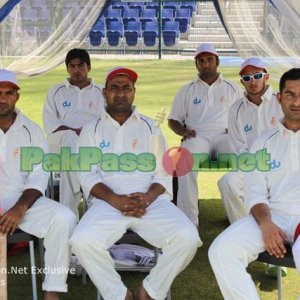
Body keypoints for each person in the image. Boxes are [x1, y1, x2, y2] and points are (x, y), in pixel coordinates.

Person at [69, 67, 201, 300]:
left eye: (126, 88)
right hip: (107, 203)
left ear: (134, 92)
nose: (121, 94)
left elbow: (163, 174)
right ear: (104, 92)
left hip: (148, 202)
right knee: (81, 241)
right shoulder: (92, 130)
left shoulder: (151, 127)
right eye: (114, 88)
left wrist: (146, 198)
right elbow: (87, 175)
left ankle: (149, 292)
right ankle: (119, 295)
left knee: (188, 237)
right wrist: (116, 200)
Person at [208, 68, 300, 299]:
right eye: (289, 94)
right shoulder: (263, 142)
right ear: (279, 99)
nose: (296, 101)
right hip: (274, 215)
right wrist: (266, 223)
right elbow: (254, 190)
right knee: (221, 251)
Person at [0, 69, 77, 300]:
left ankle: (51, 289)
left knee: (64, 217)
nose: (3, 98)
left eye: (8, 93)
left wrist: (19, 208)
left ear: (17, 96)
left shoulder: (32, 131)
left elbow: (39, 176)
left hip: (21, 200)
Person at [168, 43, 243, 226]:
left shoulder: (232, 88)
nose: (205, 64)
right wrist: (183, 132)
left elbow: (244, 115)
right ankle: (188, 222)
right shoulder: (187, 90)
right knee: (185, 161)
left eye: (209, 60)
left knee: (245, 159)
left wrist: (235, 130)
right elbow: (173, 120)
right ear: (196, 64)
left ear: (217, 61)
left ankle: (241, 215)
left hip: (226, 136)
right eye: (201, 61)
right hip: (197, 136)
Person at [218, 57, 283, 224]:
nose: (252, 81)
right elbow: (237, 146)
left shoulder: (281, 101)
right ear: (242, 82)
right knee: (227, 182)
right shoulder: (236, 109)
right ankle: (243, 226)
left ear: (266, 77)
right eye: (247, 78)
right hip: (252, 165)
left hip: (282, 163)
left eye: (257, 76)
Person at [43, 48, 105, 218]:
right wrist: (75, 132)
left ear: (89, 67)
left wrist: (85, 134)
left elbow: (107, 124)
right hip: (62, 143)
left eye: (81, 66)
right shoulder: (56, 91)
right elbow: (50, 124)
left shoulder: (102, 91)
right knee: (70, 140)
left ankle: (69, 210)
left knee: (77, 153)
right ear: (67, 68)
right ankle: (88, 201)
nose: (76, 70)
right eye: (72, 66)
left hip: (93, 144)